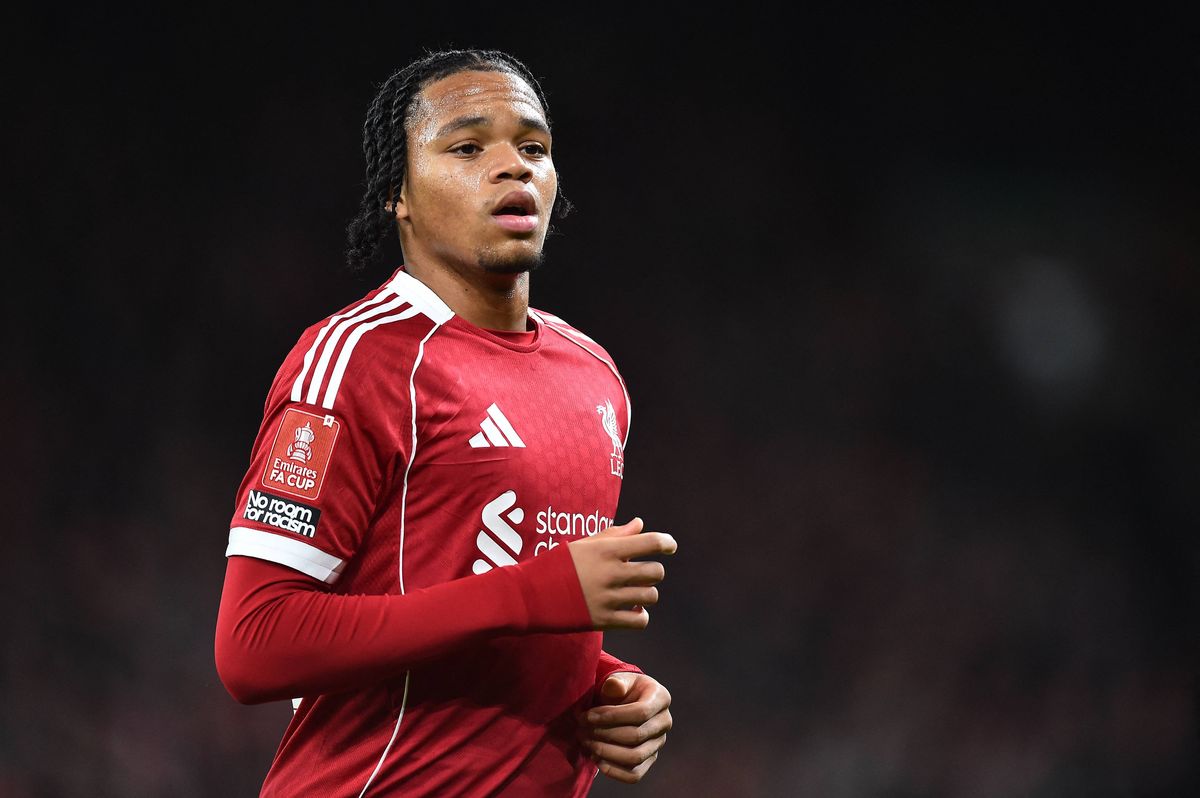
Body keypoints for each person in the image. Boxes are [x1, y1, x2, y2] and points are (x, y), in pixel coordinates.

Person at [214, 48, 677, 797]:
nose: (512, 166)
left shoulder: (595, 375)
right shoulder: (357, 361)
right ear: (397, 191)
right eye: (467, 147)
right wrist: (535, 595)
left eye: (533, 148)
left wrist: (606, 681)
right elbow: (254, 647)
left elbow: (487, 603)